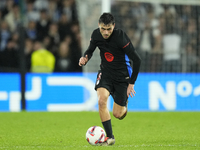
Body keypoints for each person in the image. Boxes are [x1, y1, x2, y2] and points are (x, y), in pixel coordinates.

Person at [79, 13, 141, 146]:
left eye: (109, 29)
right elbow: (90, 50)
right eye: (103, 29)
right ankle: (110, 137)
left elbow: (137, 59)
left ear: (114, 26)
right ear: (99, 26)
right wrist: (85, 57)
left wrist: (131, 83)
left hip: (122, 76)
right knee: (101, 101)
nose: (105, 32)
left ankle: (124, 104)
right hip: (106, 73)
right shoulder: (96, 35)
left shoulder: (120, 37)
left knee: (118, 114)